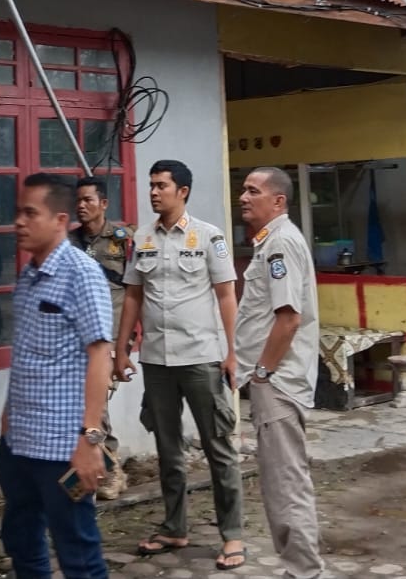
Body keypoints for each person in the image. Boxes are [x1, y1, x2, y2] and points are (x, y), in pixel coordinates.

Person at [116, 160, 246, 571]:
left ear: (182, 191)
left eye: (161, 186)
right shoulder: (142, 238)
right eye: (151, 186)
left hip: (201, 359)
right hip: (157, 360)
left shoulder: (208, 236)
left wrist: (232, 352)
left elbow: (226, 295)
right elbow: (134, 296)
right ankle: (174, 526)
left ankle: (233, 535)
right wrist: (122, 350)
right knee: (167, 449)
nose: (154, 193)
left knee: (218, 448)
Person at [0, 172, 114, 579]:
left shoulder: (82, 274)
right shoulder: (28, 275)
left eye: (31, 213)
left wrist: (90, 438)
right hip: (19, 441)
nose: (19, 222)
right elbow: (28, 351)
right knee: (20, 539)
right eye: (18, 212)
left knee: (77, 549)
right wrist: (8, 413)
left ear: (60, 219)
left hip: (63, 447)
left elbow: (101, 354)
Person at [235, 166, 322, 579]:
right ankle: (298, 567)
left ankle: (304, 570)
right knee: (278, 480)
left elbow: (287, 319)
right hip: (273, 379)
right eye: (243, 190)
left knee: (286, 481)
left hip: (279, 382)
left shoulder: (281, 244)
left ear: (279, 201)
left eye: (253, 191)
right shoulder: (269, 243)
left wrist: (263, 374)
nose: (243, 197)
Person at [68, 174, 134, 500]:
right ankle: (106, 467)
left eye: (88, 200)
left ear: (104, 204)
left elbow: (138, 293)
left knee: (96, 406)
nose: (81, 206)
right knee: (91, 406)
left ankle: (109, 469)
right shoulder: (70, 242)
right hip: (77, 340)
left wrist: (127, 346)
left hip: (108, 342)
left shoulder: (124, 240)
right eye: (78, 201)